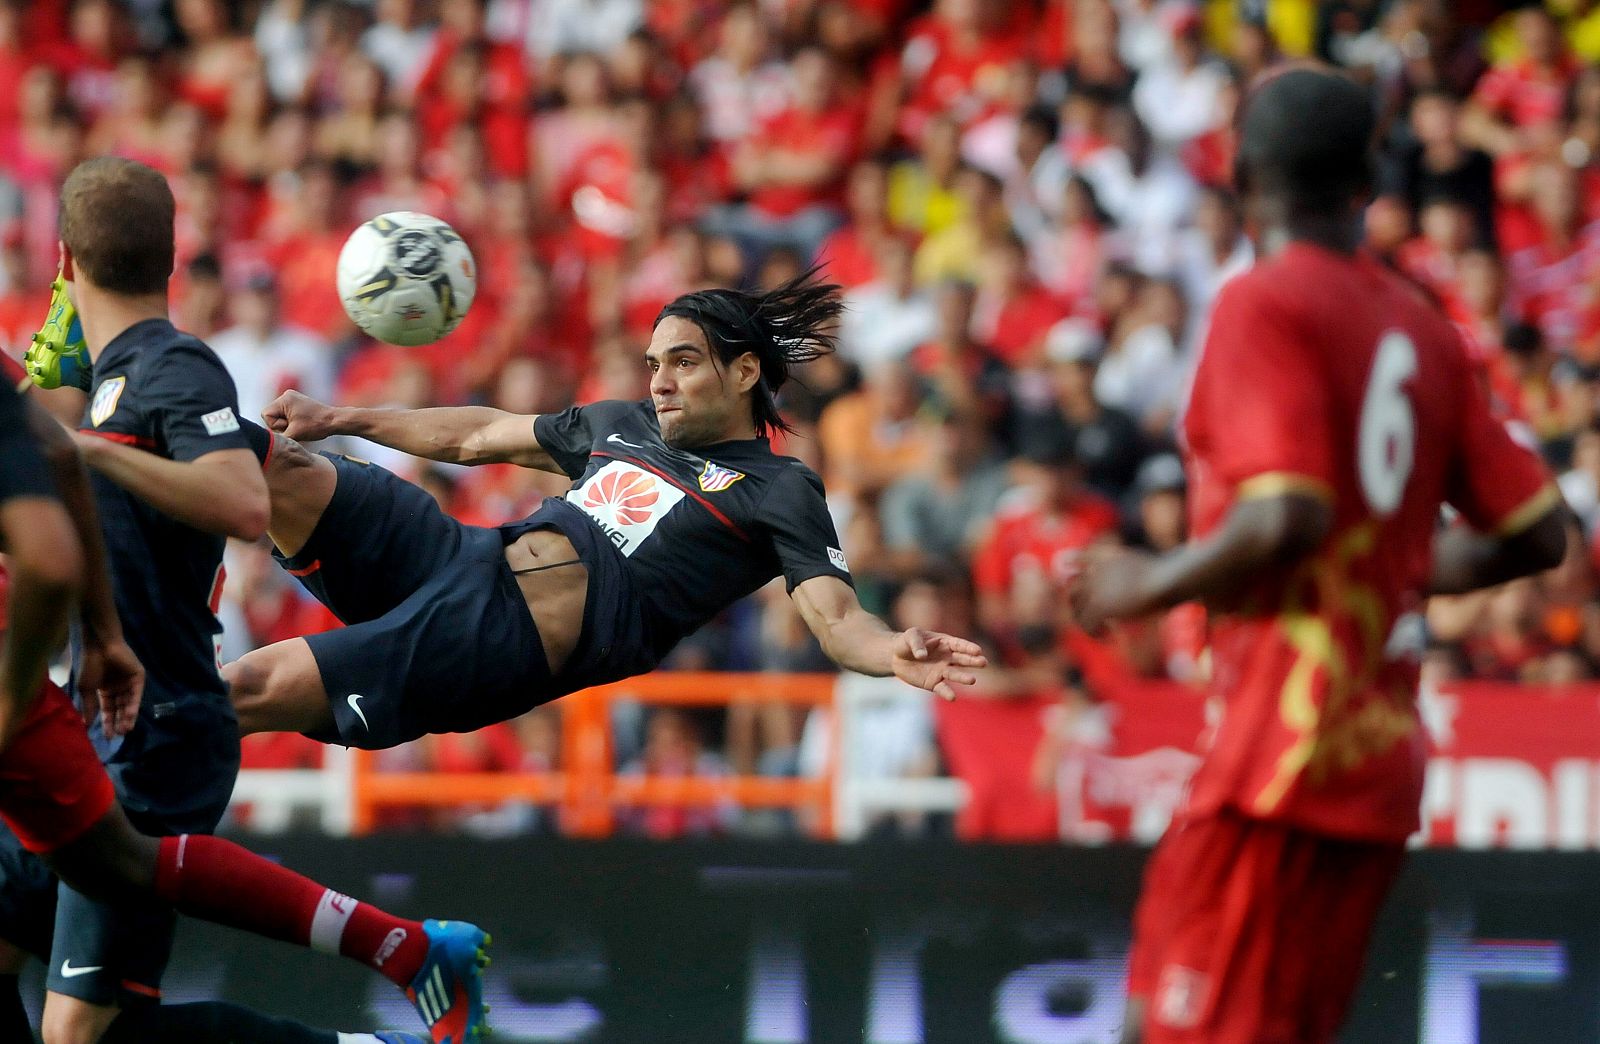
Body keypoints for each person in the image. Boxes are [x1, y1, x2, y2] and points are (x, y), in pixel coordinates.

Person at [1072, 67, 1569, 1044]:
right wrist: (1389, 565)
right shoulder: (1423, 330)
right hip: (1375, 760)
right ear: (1369, 181)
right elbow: (1536, 534)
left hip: (1278, 757)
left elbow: (1285, 514)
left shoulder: (1263, 304)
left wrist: (1143, 582)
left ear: (1243, 174)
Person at [14, 155, 484, 1044]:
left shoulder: (172, 366)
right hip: (91, 719)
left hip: (156, 726)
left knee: (80, 1036)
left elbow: (241, 503)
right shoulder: (116, 377)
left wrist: (95, 451)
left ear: (64, 259)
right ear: (172, 251)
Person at [167, 272, 985, 750]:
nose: (659, 379)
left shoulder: (780, 490)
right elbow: (482, 433)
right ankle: (106, 390)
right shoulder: (623, 423)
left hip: (492, 642)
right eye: (655, 361)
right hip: (461, 559)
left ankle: (91, 783)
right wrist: (344, 418)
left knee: (246, 684)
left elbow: (836, 620)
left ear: (743, 375)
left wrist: (890, 652)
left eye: (685, 362)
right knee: (270, 458)